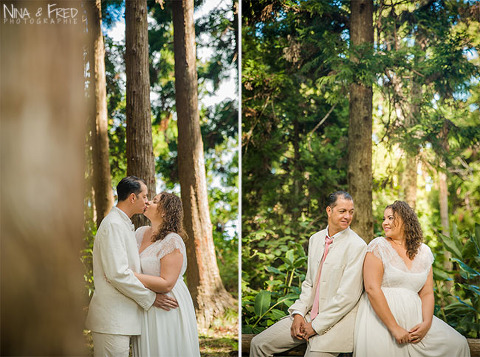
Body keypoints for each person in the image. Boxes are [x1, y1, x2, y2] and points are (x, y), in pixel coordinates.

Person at [250, 191, 367, 357]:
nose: (348, 216)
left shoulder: (357, 246)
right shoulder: (315, 239)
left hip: (334, 327)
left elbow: (347, 297)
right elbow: (309, 283)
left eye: (351, 212)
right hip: (305, 317)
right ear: (329, 211)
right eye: (342, 211)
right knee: (258, 344)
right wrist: (298, 314)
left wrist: (316, 326)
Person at [354, 200, 470, 357]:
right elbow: (372, 288)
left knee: (458, 344)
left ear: (405, 220)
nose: (385, 223)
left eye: (390, 218)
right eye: (384, 219)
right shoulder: (378, 246)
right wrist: (394, 327)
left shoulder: (424, 252)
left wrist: (426, 324)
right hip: (380, 322)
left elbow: (427, 292)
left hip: (416, 322)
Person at [86, 176, 178, 357]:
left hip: (123, 319)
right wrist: (151, 298)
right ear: (133, 197)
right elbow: (117, 274)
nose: (147, 201)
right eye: (144, 196)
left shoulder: (124, 224)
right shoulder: (113, 225)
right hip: (112, 319)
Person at [132, 191, 201, 357]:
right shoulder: (140, 232)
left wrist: (128, 275)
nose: (148, 202)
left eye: (155, 201)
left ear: (164, 211)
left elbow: (167, 283)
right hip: (146, 301)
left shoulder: (172, 240)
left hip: (167, 304)